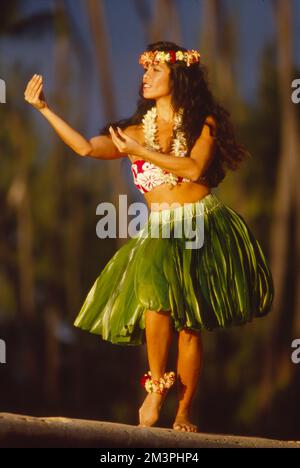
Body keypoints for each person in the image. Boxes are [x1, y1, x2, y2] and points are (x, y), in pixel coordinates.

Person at [24, 41, 274, 433]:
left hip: (202, 225)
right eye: (145, 70)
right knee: (155, 302)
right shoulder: (133, 131)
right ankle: (157, 384)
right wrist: (44, 109)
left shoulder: (201, 123)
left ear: (179, 76)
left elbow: (193, 169)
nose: (146, 77)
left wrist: (143, 151)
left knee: (191, 326)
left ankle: (184, 412)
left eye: (156, 70)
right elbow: (87, 148)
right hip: (160, 228)